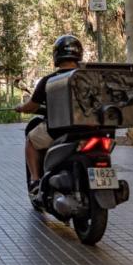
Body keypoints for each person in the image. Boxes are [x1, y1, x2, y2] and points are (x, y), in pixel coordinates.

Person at [14, 35, 83, 196]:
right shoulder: (88, 76)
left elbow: (32, 106)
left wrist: (21, 108)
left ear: (57, 56)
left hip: (59, 130)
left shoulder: (49, 80)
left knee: (31, 140)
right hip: (91, 129)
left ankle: (36, 179)